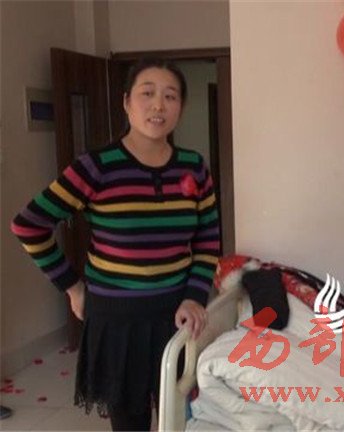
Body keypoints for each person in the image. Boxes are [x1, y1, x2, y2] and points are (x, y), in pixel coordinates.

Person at [11, 58, 221, 431]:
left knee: (180, 419)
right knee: (130, 422)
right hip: (117, 320)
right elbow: (29, 225)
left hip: (177, 317)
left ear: (181, 107)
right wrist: (72, 287)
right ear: (126, 102)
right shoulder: (96, 167)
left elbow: (208, 240)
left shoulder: (194, 167)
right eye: (147, 93)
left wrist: (194, 296)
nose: (158, 105)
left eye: (170, 96)